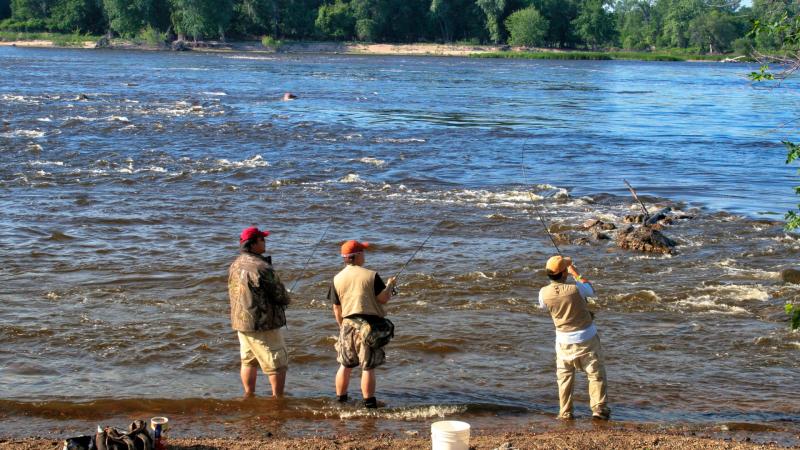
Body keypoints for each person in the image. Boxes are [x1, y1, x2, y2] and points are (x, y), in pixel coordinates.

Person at [538, 255, 610, 420]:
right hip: (587, 340)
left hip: (563, 343)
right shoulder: (577, 288)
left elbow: (544, 306)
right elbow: (591, 290)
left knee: (564, 379)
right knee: (595, 374)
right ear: (564, 273)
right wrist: (575, 273)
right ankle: (599, 409)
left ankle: (565, 412)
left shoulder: (543, 293)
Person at [328, 240, 397, 408]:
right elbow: (383, 299)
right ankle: (369, 403)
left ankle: (341, 400)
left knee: (345, 365)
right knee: (367, 367)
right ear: (357, 255)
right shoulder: (371, 275)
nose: (364, 256)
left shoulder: (337, 278)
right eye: (363, 252)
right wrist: (390, 285)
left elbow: (336, 308)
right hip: (368, 327)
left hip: (347, 325)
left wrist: (342, 327)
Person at [228, 226, 291, 397]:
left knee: (248, 361)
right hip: (263, 324)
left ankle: (249, 395)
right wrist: (287, 297)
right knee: (277, 363)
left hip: (241, 322)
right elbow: (281, 296)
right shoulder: (263, 267)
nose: (265, 241)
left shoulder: (235, 264)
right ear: (253, 243)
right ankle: (278, 399)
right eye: (262, 239)